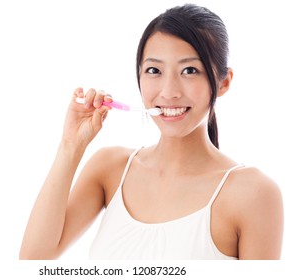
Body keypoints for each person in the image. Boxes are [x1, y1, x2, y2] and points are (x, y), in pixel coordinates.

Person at [19, 4, 283, 260]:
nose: (169, 92)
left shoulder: (253, 193)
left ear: (223, 82)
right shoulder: (110, 168)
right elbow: (34, 260)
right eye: (154, 70)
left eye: (189, 70)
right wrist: (70, 145)